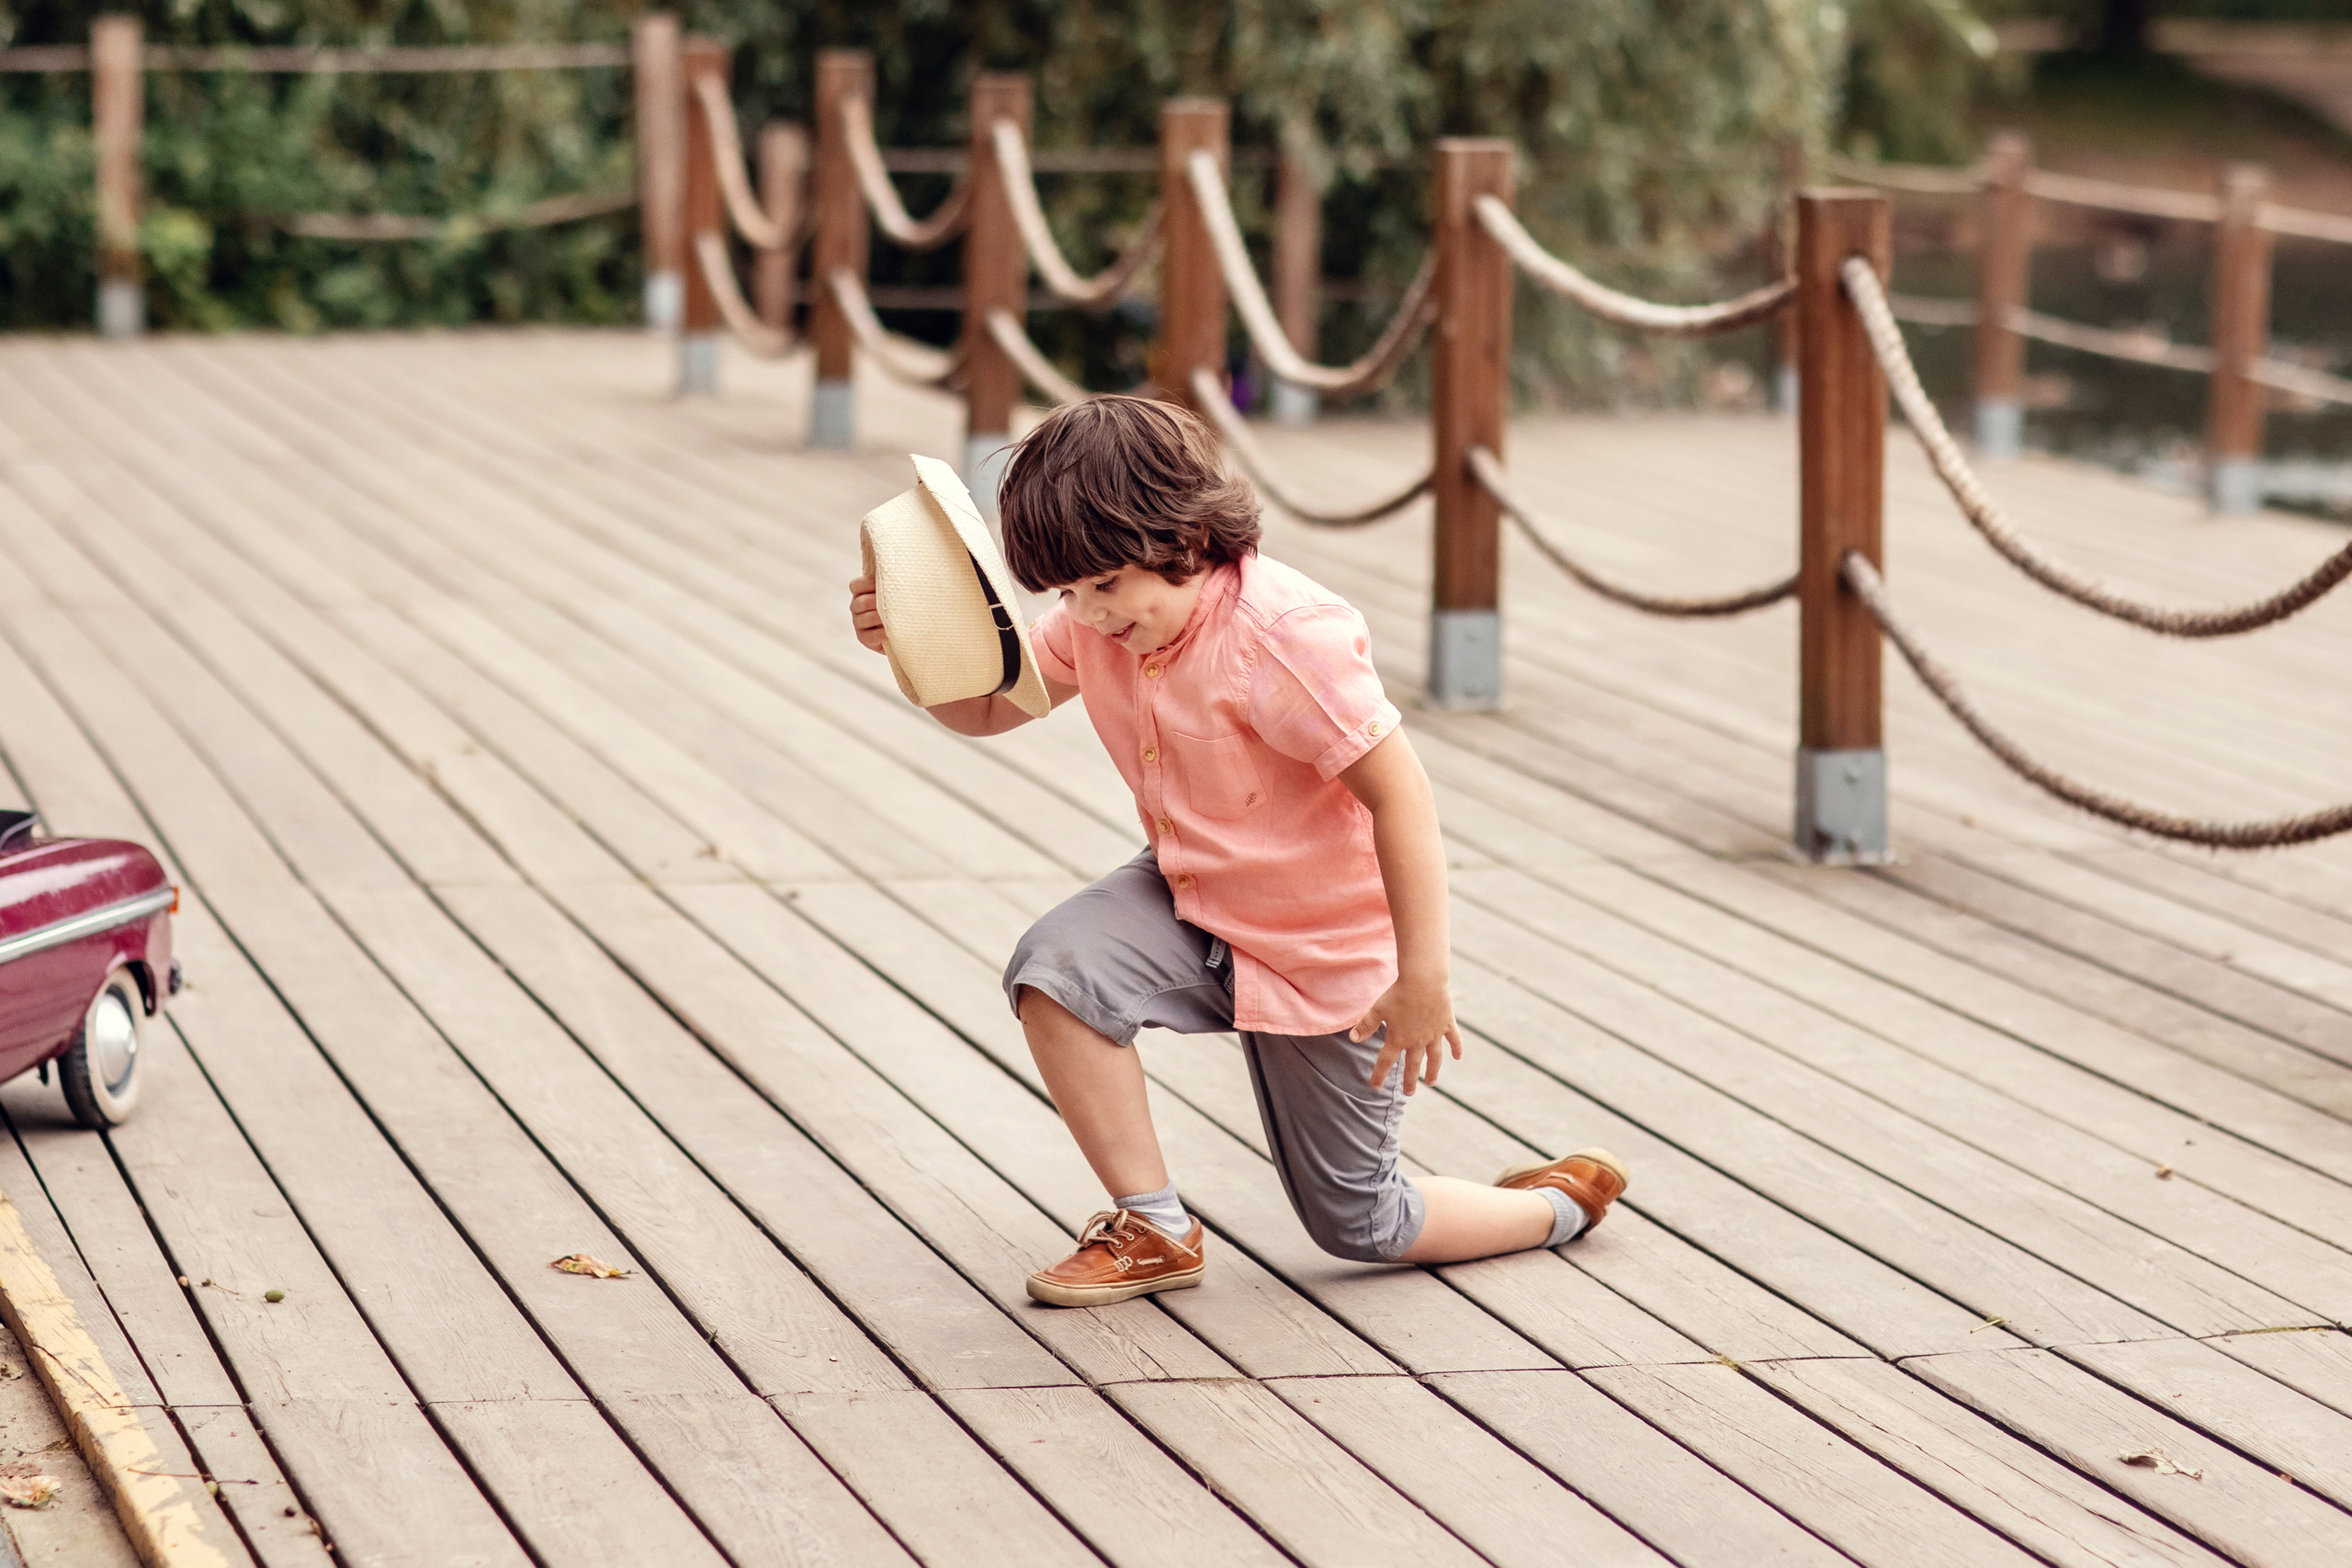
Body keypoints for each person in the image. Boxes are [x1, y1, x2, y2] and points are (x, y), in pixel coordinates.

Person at [847, 395, 1626, 1306]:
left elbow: (1399, 794)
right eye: (1067, 594)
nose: (1086, 615)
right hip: (1192, 897)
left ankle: (1555, 1208)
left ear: (1178, 538)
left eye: (1103, 585)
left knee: (1363, 1224)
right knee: (1055, 970)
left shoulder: (1285, 638)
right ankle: (1153, 1226)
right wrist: (906, 642)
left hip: (1320, 946)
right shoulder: (1106, 620)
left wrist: (1423, 977)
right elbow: (989, 708)